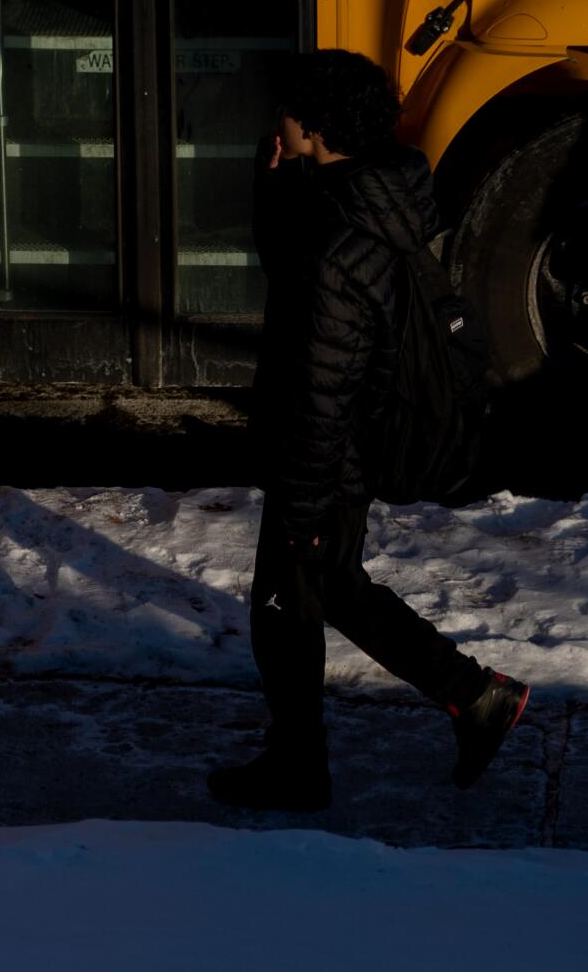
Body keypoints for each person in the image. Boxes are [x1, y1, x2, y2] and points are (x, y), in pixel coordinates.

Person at [209, 49, 529, 813]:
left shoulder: (340, 248)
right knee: (326, 589)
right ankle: (472, 697)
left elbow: (323, 381)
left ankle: (304, 767)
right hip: (332, 449)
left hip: (325, 455)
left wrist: (305, 500)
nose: (273, 120)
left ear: (315, 126)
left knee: (290, 606)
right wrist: (276, 180)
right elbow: (285, 266)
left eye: (286, 109)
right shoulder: (362, 193)